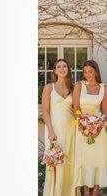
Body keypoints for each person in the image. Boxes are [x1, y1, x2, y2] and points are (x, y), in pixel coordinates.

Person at [73, 60, 107, 196]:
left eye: (90, 72)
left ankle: (96, 191)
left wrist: (98, 128)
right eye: (85, 72)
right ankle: (86, 190)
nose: (88, 75)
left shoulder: (104, 88)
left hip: (99, 129)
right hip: (82, 128)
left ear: (96, 72)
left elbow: (105, 111)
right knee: (85, 159)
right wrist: (82, 126)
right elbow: (76, 108)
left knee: (98, 158)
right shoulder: (79, 86)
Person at [42, 59, 75, 196]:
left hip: (71, 131)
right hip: (54, 129)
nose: (62, 69)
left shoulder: (74, 88)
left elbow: (76, 109)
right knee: (56, 163)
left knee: (70, 163)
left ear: (68, 69)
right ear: (55, 71)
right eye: (59, 67)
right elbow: (45, 111)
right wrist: (50, 130)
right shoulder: (49, 87)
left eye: (65, 66)